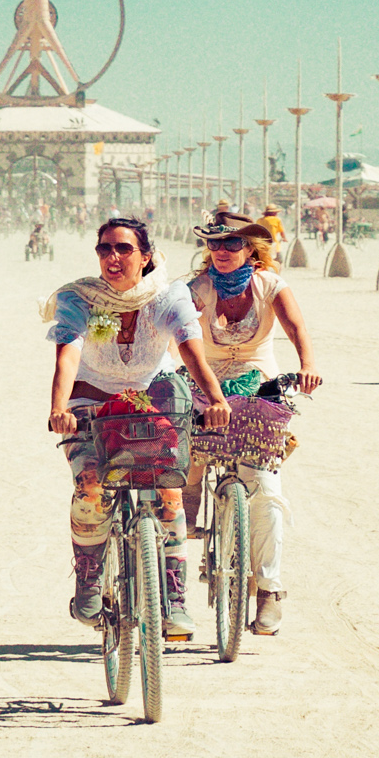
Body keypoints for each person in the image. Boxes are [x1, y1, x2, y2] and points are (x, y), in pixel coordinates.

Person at [43, 217, 231, 642]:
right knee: (92, 486)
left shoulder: (168, 296)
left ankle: (175, 598)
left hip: (153, 395)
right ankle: (89, 576)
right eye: (105, 249)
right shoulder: (80, 299)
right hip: (91, 401)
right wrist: (58, 408)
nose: (113, 257)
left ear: (145, 257)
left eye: (124, 249)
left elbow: (192, 352)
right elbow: (67, 356)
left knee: (168, 489)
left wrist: (216, 399)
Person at [184, 217, 320, 636]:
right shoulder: (196, 289)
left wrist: (308, 366)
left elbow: (295, 326)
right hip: (205, 379)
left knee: (265, 487)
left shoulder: (270, 286)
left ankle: (269, 591)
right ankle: (189, 505)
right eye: (215, 244)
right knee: (182, 453)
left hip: (260, 381)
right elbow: (178, 330)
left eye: (232, 243)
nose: (222, 250)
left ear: (250, 249)